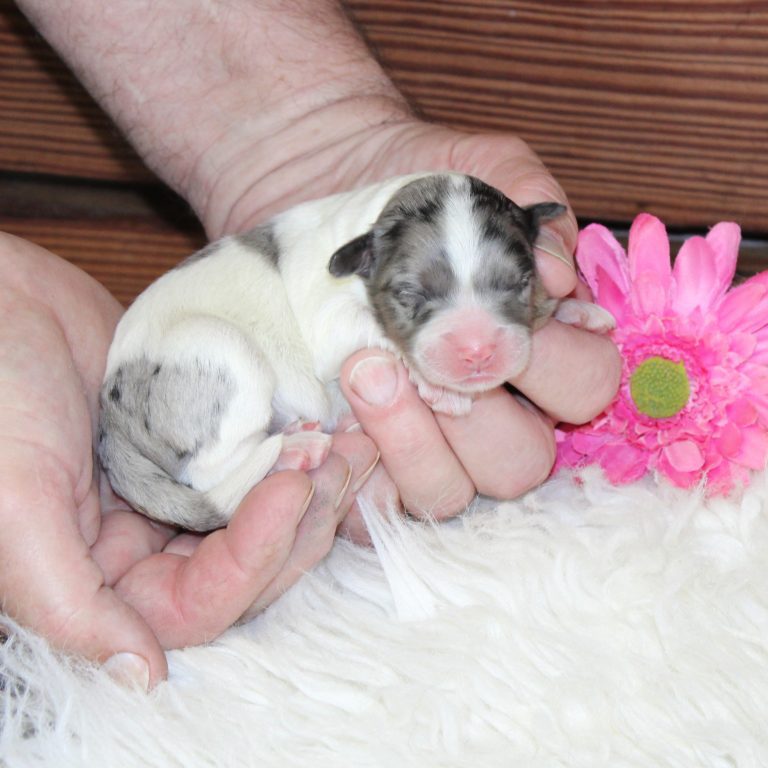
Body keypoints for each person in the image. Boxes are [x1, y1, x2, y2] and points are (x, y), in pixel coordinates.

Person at [1, 0, 621, 689]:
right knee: (234, 360)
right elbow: (336, 349)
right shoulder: (337, 262)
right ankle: (225, 477)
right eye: (420, 298)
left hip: (207, 392)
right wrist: (418, 371)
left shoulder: (387, 240)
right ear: (365, 262)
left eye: (513, 288)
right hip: (173, 384)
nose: (476, 345)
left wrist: (544, 314)